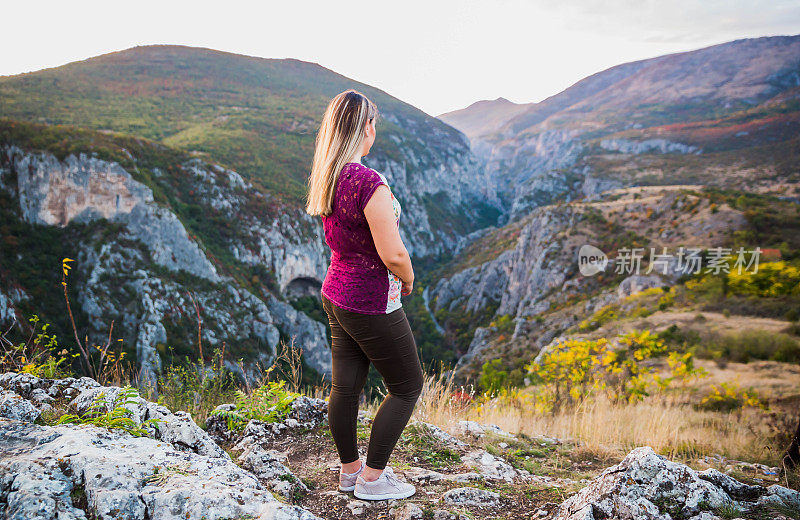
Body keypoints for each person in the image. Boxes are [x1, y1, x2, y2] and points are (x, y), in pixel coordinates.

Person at [305, 89, 423, 501]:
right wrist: (407, 278)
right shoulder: (369, 182)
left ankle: (349, 471)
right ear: (365, 127)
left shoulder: (329, 174)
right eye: (373, 123)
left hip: (335, 292)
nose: (375, 130)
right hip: (370, 299)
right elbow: (392, 253)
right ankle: (373, 479)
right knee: (407, 385)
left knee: (346, 387)